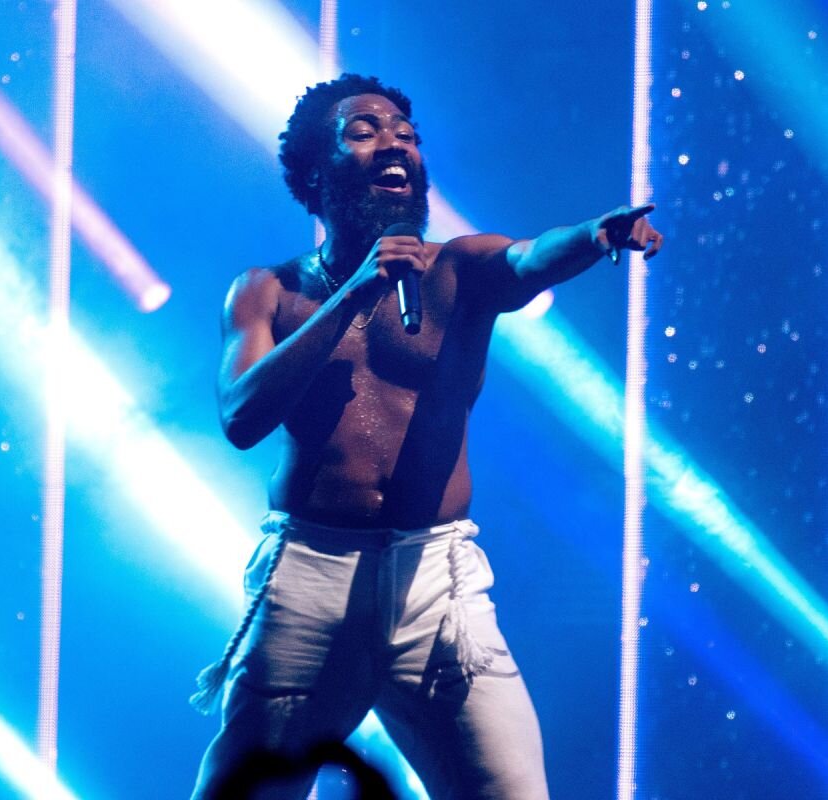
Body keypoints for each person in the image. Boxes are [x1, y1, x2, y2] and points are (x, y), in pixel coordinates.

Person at [190, 73, 663, 800]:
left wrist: (593, 236)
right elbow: (241, 416)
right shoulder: (268, 291)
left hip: (435, 584)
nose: (395, 143)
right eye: (365, 131)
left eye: (406, 135)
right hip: (310, 577)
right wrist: (355, 295)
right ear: (316, 174)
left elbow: (528, 258)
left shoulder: (459, 270)